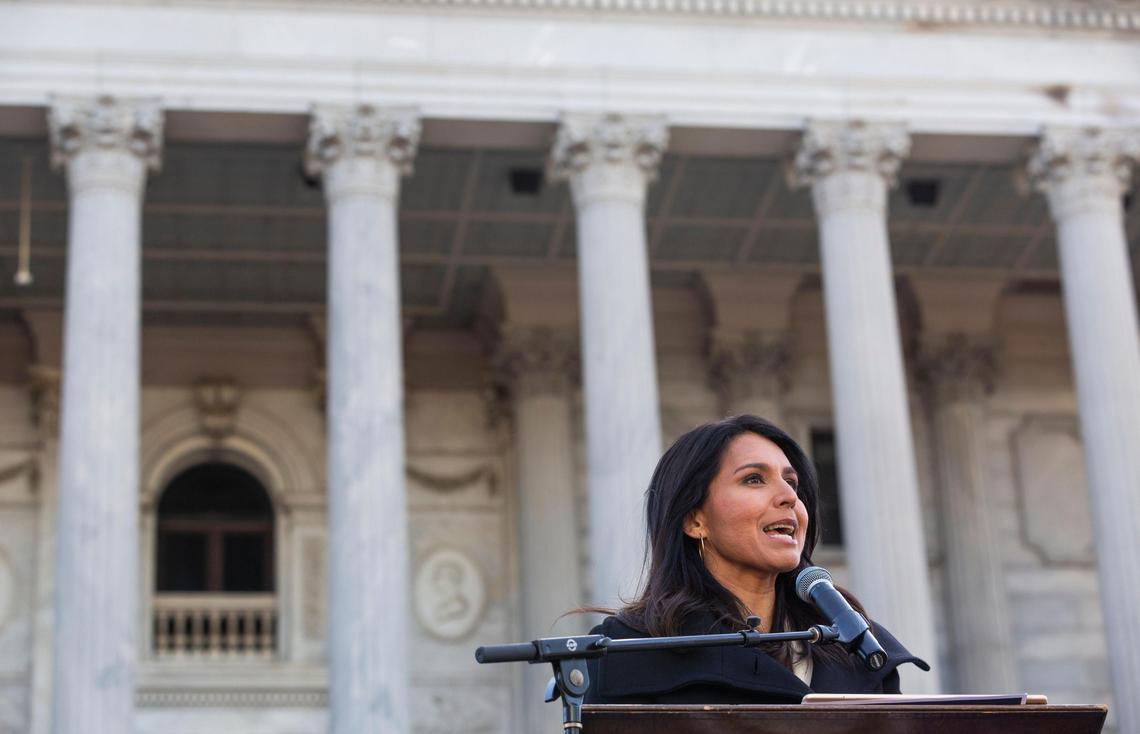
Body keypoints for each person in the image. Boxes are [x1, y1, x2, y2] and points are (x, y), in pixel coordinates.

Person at [583, 415, 929, 704]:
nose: (788, 497)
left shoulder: (858, 645)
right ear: (694, 520)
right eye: (754, 479)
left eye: (791, 482)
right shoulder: (633, 653)